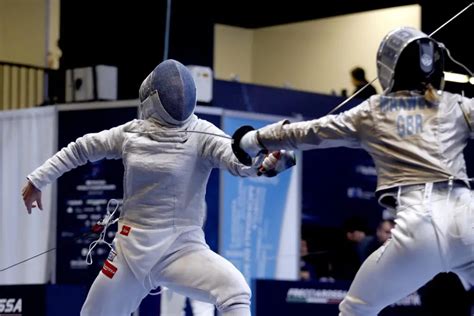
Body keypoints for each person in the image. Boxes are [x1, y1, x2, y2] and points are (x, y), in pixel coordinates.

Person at [21, 59, 295, 316]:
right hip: (130, 252)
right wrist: (38, 179)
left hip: (181, 249)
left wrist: (263, 162)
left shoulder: (202, 134)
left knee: (235, 290)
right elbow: (81, 148)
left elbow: (235, 157)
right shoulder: (131, 133)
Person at [234, 26, 474, 315]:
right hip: (468, 219)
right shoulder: (455, 105)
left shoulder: (375, 110)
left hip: (421, 225)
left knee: (356, 309)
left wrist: (254, 139)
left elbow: (312, 131)